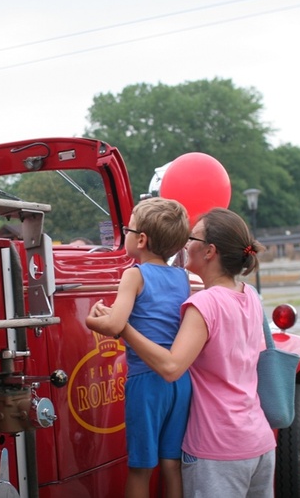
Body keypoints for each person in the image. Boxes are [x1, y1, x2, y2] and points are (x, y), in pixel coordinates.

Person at [116, 207, 275, 497]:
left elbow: (171, 367)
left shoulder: (205, 304)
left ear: (210, 251)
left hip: (219, 448)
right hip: (259, 441)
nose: (186, 244)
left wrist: (123, 327)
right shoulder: (249, 294)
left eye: (192, 238)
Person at [86, 197, 191, 498]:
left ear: (141, 240)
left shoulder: (134, 274)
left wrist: (92, 319)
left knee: (141, 467)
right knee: (171, 463)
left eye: (128, 229)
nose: (126, 233)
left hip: (146, 382)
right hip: (180, 381)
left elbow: (115, 325)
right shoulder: (182, 277)